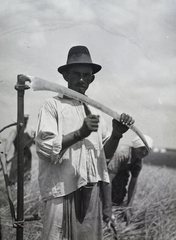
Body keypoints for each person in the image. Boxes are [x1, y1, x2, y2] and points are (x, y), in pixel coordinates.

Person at [35, 45, 135, 240]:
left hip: (90, 194)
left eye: (86, 75)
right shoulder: (52, 105)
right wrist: (81, 133)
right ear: (65, 75)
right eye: (76, 73)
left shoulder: (96, 111)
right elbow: (45, 147)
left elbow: (103, 156)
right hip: (60, 190)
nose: (81, 79)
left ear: (92, 78)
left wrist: (116, 134)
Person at [102, 135, 153, 226]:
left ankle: (115, 206)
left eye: (147, 150)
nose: (144, 152)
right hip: (104, 173)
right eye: (142, 148)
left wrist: (129, 207)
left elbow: (133, 184)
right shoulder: (122, 153)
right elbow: (107, 179)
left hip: (118, 177)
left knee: (121, 186)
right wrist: (108, 207)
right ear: (135, 146)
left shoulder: (138, 161)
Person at [5, 114, 35, 185]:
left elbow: (35, 142)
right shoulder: (14, 131)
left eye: (26, 120)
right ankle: (12, 192)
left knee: (26, 177)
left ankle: (25, 193)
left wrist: (35, 138)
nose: (25, 121)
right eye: (23, 119)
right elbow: (8, 142)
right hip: (17, 156)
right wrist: (5, 155)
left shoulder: (30, 130)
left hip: (27, 156)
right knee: (13, 177)